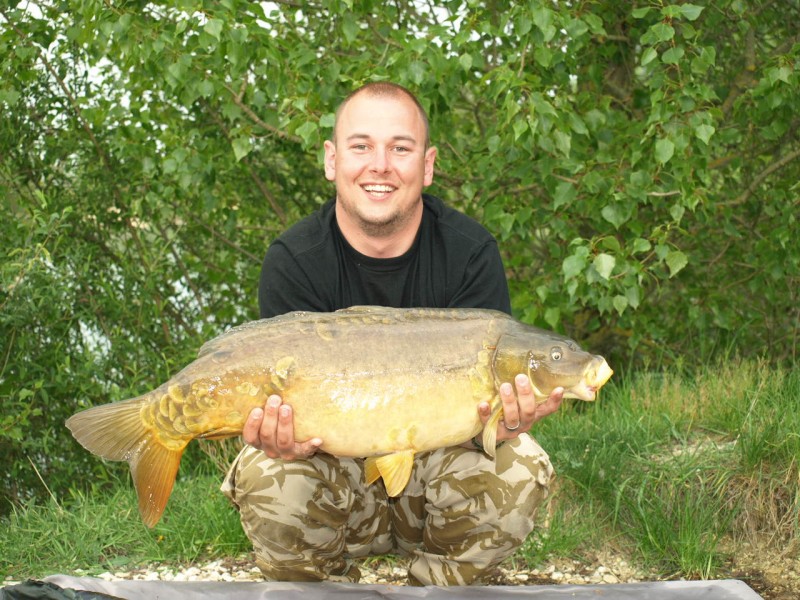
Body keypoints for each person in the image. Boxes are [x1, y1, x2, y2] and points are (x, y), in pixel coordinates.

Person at [221, 82, 564, 586]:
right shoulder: (294, 260)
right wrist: (281, 440)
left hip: (432, 495)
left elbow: (481, 419)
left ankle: (438, 587)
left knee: (519, 461)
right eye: (361, 146)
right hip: (337, 484)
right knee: (267, 471)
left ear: (426, 165)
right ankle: (321, 590)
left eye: (400, 148)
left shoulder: (469, 252)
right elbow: (288, 418)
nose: (379, 165)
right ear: (332, 160)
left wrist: (503, 425)